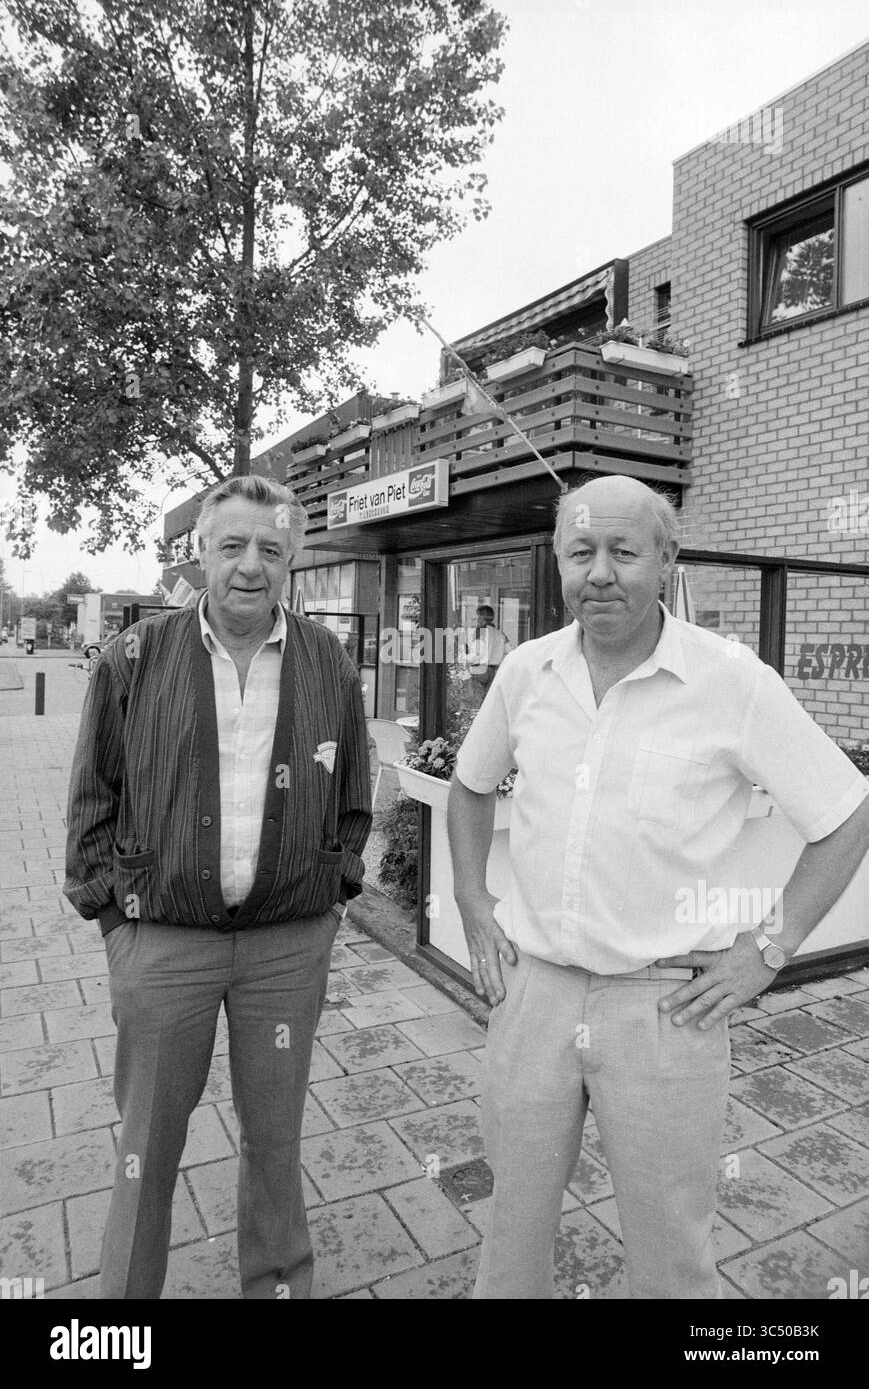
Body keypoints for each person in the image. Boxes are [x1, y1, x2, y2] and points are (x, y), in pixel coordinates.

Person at [447, 474, 869, 1300]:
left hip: (664, 1010)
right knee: (510, 1230)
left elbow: (844, 813)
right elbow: (467, 786)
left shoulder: (729, 681)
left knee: (671, 1250)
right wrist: (471, 899)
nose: (598, 572)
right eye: (579, 552)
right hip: (533, 997)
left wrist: (767, 952)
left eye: (621, 551)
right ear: (559, 564)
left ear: (666, 559)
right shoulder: (527, 672)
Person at [65, 474, 372, 1299]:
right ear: (199, 552)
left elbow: (354, 798)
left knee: (276, 1143)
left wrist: (329, 899)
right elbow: (93, 795)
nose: (249, 565)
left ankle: (277, 1286)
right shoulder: (135, 657)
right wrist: (115, 925)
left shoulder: (327, 662)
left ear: (292, 561)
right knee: (146, 1145)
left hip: (285, 947)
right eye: (230, 545)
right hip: (164, 946)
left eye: (270, 549)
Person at [465, 604, 511, 700]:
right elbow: (510, 651)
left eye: (476, 616)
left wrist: (464, 657)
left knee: (477, 703)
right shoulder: (500, 634)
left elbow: (476, 654)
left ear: (482, 617)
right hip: (492, 671)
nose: (476, 620)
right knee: (488, 701)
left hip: (478, 670)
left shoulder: (479, 632)